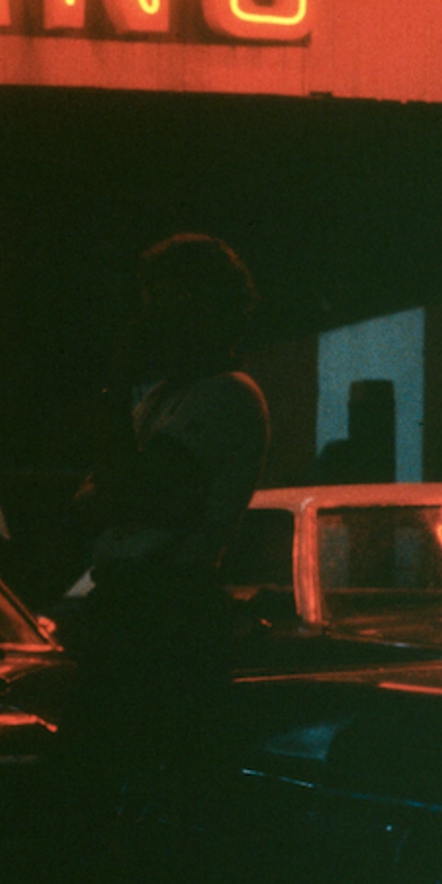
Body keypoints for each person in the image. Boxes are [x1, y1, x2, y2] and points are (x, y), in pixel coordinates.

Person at [66, 233, 269, 795]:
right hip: (134, 609)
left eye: (169, 298)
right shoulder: (162, 397)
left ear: (210, 307)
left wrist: (114, 384)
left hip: (165, 616)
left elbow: (124, 492)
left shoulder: (228, 395)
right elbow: (99, 499)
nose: (152, 315)